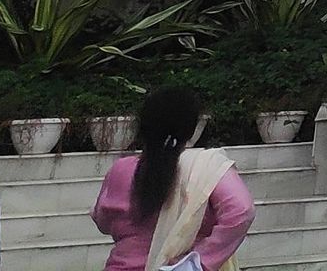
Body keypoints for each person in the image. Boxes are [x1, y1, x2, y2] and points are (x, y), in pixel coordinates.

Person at [92, 87, 254, 271]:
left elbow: (102, 220)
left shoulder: (120, 169)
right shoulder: (205, 168)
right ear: (191, 129)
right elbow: (241, 210)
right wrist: (198, 262)